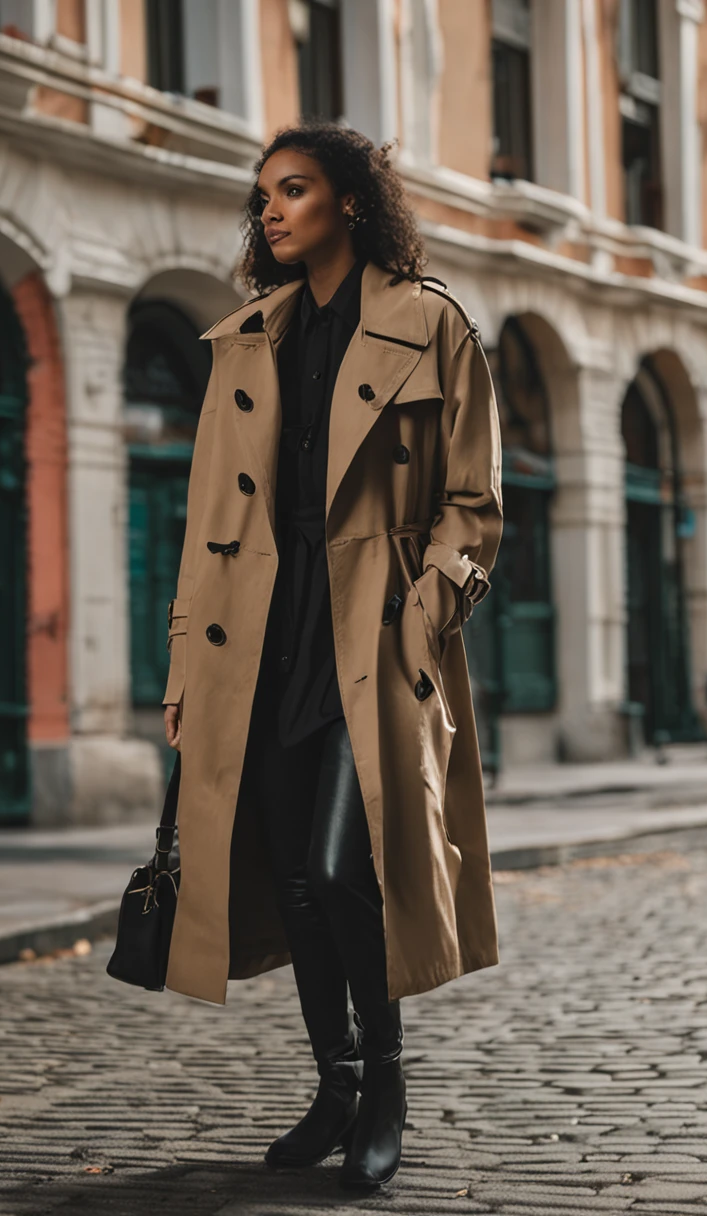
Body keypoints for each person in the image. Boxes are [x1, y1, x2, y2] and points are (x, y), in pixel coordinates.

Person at [161, 122, 503, 1190]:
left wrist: (424, 611)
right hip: (260, 638)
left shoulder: (430, 323)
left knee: (334, 868)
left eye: (294, 190)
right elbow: (202, 523)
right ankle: (335, 1081)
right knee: (294, 885)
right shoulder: (246, 339)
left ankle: (386, 1082)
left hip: (370, 630)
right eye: (264, 194)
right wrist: (184, 672)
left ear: (348, 202)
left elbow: (475, 505)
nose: (270, 209)